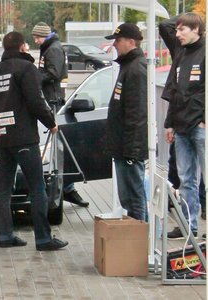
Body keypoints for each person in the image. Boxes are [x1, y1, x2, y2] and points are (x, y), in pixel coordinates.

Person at [0, 31, 68, 251]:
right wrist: (51, 123)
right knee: (37, 188)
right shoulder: (26, 69)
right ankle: (43, 239)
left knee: (3, 190)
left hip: (2, 138)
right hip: (24, 138)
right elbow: (36, 102)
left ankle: (5, 235)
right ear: (22, 47)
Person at [32, 22, 89, 208]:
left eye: (37, 37)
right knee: (56, 146)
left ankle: (66, 187)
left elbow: (53, 73)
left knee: (56, 146)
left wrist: (34, 78)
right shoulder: (49, 47)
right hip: (52, 98)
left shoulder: (53, 49)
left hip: (53, 100)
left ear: (44, 36)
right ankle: (67, 188)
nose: (35, 40)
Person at [159, 13, 206, 239]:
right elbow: (175, 91)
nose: (176, 34)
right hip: (181, 127)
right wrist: (170, 124)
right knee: (186, 179)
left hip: (200, 126)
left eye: (182, 30)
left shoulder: (205, 52)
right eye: (176, 31)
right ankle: (190, 227)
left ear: (196, 29)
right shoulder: (180, 52)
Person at [104, 23, 148, 221]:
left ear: (131, 42)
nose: (114, 44)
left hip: (129, 147)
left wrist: (132, 149)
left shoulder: (137, 68)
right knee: (128, 198)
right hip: (122, 145)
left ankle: (140, 240)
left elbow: (137, 113)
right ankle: (135, 239)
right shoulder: (128, 66)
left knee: (134, 196)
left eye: (118, 40)